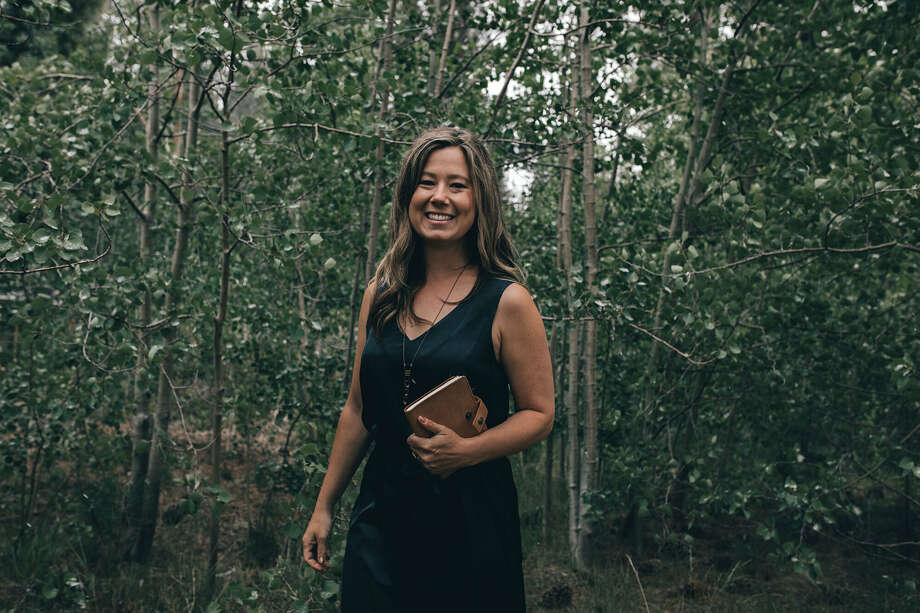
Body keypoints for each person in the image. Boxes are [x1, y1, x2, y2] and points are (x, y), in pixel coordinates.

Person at [302, 127, 554, 613]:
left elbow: (539, 413)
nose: (440, 197)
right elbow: (358, 410)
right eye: (426, 182)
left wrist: (468, 450)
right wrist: (324, 506)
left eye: (457, 185)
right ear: (408, 196)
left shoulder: (507, 301)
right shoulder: (381, 293)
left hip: (472, 520)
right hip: (383, 516)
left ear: (479, 199)